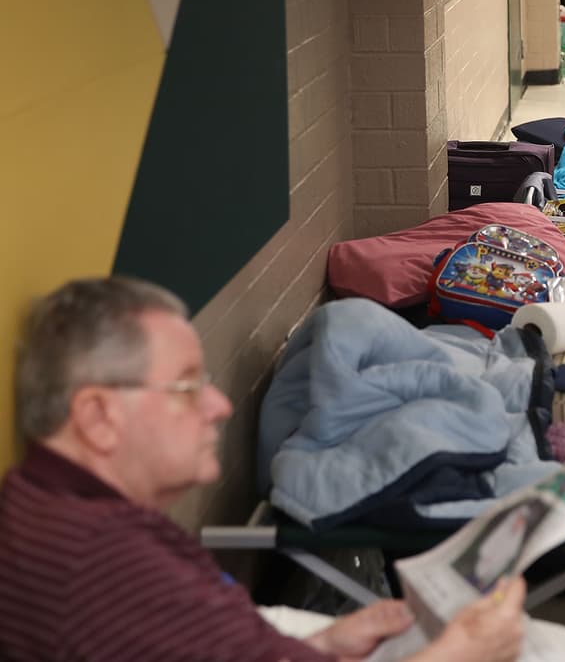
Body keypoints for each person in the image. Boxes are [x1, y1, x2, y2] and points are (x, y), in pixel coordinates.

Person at [0, 276, 526, 662]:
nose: (219, 406)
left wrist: (325, 642)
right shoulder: (101, 566)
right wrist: (456, 654)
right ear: (98, 417)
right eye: (186, 387)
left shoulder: (59, 513)